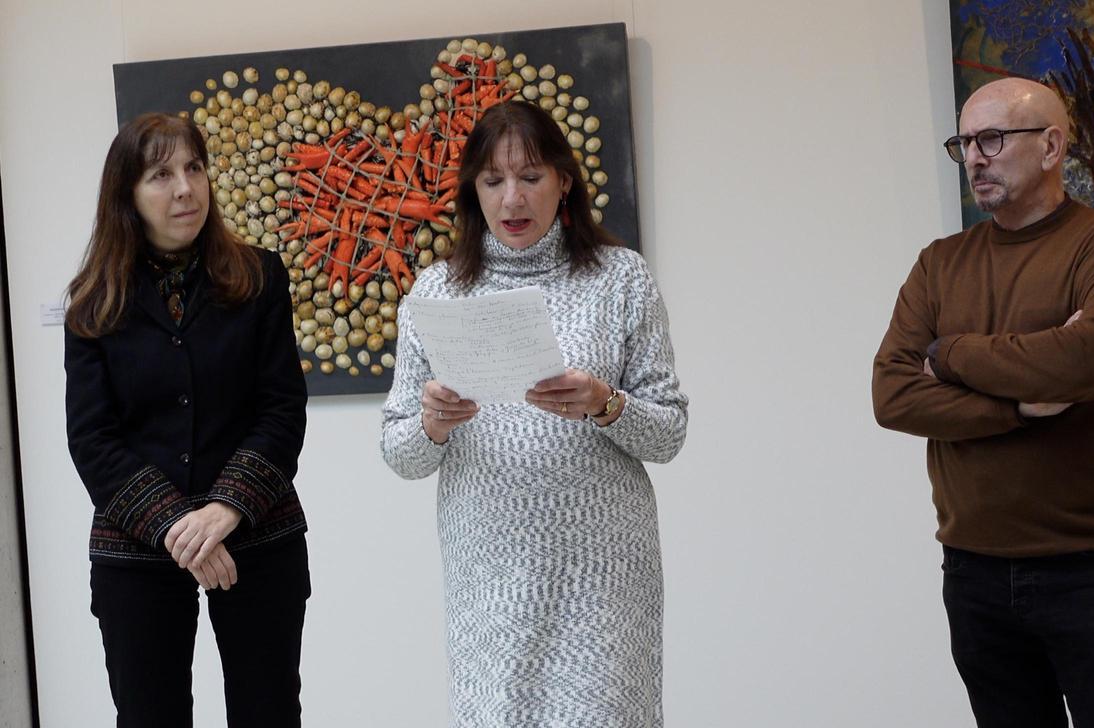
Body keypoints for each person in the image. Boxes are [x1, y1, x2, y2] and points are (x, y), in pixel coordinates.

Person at [381, 100, 688, 726]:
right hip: (490, 571)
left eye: (530, 177)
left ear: (564, 181)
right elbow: (399, 452)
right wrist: (432, 425)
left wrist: (606, 404)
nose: (512, 199)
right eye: (493, 180)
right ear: (473, 190)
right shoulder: (438, 292)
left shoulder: (621, 279)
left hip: (602, 572)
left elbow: (670, 433)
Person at [873, 77, 1094, 727]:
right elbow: (892, 395)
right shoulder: (939, 264)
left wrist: (949, 354)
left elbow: (1080, 363)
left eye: (993, 139)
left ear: (1052, 146)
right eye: (964, 144)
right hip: (972, 570)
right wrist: (1018, 408)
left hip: (1089, 566)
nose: (975, 158)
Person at [64, 113, 310, 728]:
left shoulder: (260, 277)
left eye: (194, 168)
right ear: (126, 194)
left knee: (269, 714)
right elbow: (92, 438)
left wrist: (225, 509)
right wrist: (178, 526)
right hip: (136, 542)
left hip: (256, 532)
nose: (185, 188)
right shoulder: (93, 303)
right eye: (161, 175)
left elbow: (282, 410)